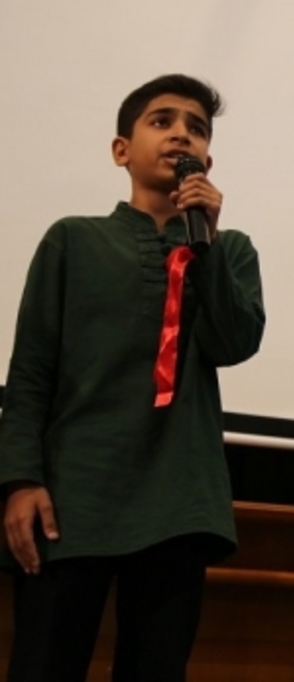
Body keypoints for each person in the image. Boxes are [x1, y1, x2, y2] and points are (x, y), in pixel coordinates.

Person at [0, 74, 266, 681]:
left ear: (207, 162)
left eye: (197, 129)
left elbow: (233, 343)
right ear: (122, 149)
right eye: (162, 121)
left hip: (179, 503)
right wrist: (19, 480)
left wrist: (207, 243)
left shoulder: (230, 249)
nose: (181, 135)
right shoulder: (73, 240)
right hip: (72, 497)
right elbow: (31, 371)